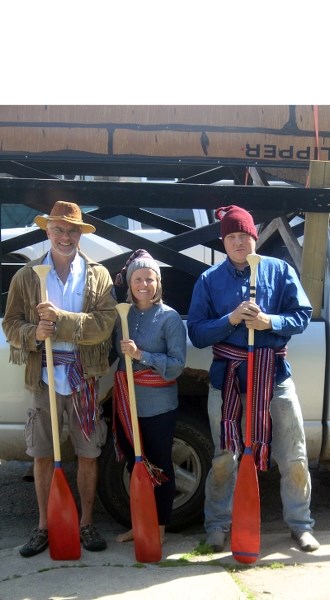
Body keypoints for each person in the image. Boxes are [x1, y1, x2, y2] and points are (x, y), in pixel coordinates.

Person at [187, 204, 320, 553]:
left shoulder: (279, 271)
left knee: (293, 454)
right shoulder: (209, 280)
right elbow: (198, 333)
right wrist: (230, 319)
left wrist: (269, 322)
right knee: (223, 457)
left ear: (253, 237)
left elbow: (302, 316)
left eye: (243, 235)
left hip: (274, 376)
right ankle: (217, 524)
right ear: (223, 242)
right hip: (228, 378)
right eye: (230, 236)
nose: (237, 242)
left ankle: (300, 524)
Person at [2, 200, 118, 557]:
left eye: (72, 230)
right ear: (47, 232)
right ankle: (44, 526)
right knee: (40, 455)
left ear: (80, 235)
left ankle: (84, 523)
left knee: (87, 453)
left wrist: (62, 320)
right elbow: (11, 324)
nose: (65, 236)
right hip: (44, 378)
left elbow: (105, 324)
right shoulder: (27, 276)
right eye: (58, 229)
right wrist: (36, 332)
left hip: (84, 378)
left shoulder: (98, 276)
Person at [112, 249, 187, 544]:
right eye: (138, 279)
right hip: (128, 403)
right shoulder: (124, 315)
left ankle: (158, 529)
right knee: (135, 466)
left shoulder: (169, 318)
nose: (144, 284)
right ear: (130, 283)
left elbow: (177, 365)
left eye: (150, 279)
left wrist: (141, 354)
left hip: (159, 406)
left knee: (160, 466)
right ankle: (139, 525)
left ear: (158, 283)